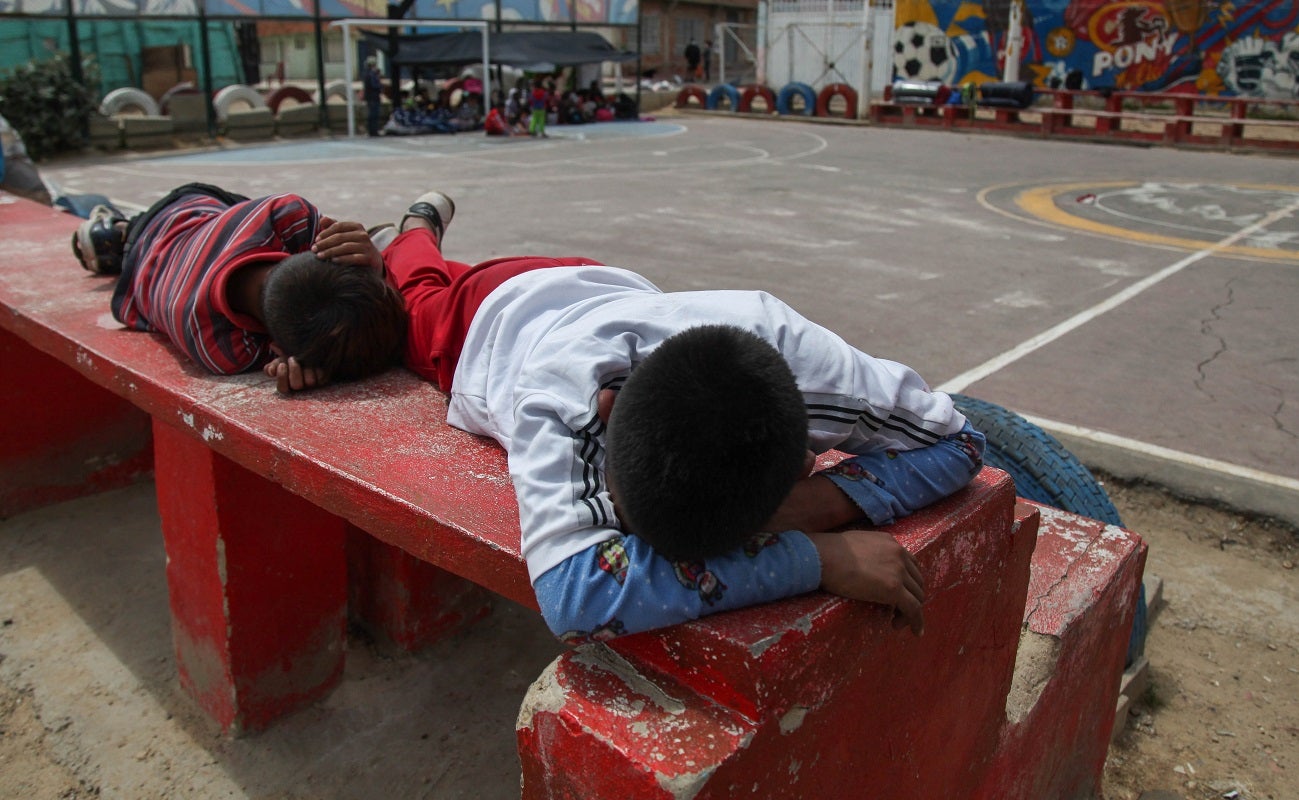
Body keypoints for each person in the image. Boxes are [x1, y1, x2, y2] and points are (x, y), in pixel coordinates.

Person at [300, 190, 985, 643]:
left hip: (597, 284)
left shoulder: (800, 358)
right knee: (417, 291)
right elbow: (573, 596)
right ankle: (413, 227)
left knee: (431, 283)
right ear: (606, 414)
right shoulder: (560, 404)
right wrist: (814, 555)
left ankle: (416, 237)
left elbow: (962, 441)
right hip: (484, 331)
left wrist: (821, 504)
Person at [71, 183, 406, 393]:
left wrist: (371, 260)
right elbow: (290, 349)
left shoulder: (287, 216)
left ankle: (119, 232)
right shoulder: (223, 352)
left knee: (219, 212)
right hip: (147, 263)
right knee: (145, 239)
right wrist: (305, 367)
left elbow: (309, 331)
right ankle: (120, 234)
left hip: (182, 218)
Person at [363, 56, 384, 137]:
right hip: (373, 97)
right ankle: (373, 131)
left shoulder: (367, 74)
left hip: (370, 97)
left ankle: (372, 130)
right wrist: (380, 86)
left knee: (372, 114)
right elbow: (374, 85)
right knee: (374, 114)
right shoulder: (371, 74)